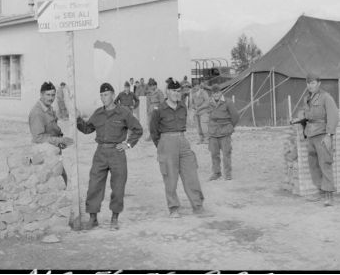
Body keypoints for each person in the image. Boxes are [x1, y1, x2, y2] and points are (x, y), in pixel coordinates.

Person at [76, 82, 143, 230]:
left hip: (117, 153)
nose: (103, 98)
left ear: (113, 95)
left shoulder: (124, 112)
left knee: (118, 186)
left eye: (106, 95)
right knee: (94, 184)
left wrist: (128, 144)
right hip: (100, 152)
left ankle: (114, 218)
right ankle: (93, 218)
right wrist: (77, 119)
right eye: (101, 95)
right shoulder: (98, 113)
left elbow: (138, 129)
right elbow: (87, 129)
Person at [149, 79, 205, 218]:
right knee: (170, 177)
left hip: (182, 140)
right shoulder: (159, 110)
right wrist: (161, 145)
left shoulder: (182, 107)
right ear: (167, 92)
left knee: (191, 174)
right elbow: (153, 131)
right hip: (166, 141)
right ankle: (174, 208)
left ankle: (197, 206)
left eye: (178, 91)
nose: (176, 93)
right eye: (173, 91)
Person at [296, 72, 339, 206]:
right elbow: (308, 116)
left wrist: (329, 135)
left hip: (322, 135)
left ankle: (329, 196)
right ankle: (321, 191)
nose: (310, 85)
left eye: (313, 83)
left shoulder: (326, 97)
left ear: (319, 83)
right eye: (308, 83)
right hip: (311, 135)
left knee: (325, 164)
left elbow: (333, 116)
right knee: (313, 165)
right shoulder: (307, 98)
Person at [206, 84, 239, 181]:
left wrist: (230, 126)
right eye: (213, 93)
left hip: (225, 131)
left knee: (226, 153)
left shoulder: (228, 102)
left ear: (221, 92)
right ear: (211, 94)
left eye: (217, 92)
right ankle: (216, 173)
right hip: (213, 132)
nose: (216, 94)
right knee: (214, 153)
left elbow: (235, 116)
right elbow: (207, 115)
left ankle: (228, 174)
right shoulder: (209, 102)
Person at [28, 81, 73, 149]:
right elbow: (38, 138)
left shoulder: (48, 108)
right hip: (41, 151)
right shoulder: (37, 113)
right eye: (48, 95)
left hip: (51, 149)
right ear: (41, 94)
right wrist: (60, 140)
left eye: (53, 95)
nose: (51, 98)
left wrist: (60, 141)